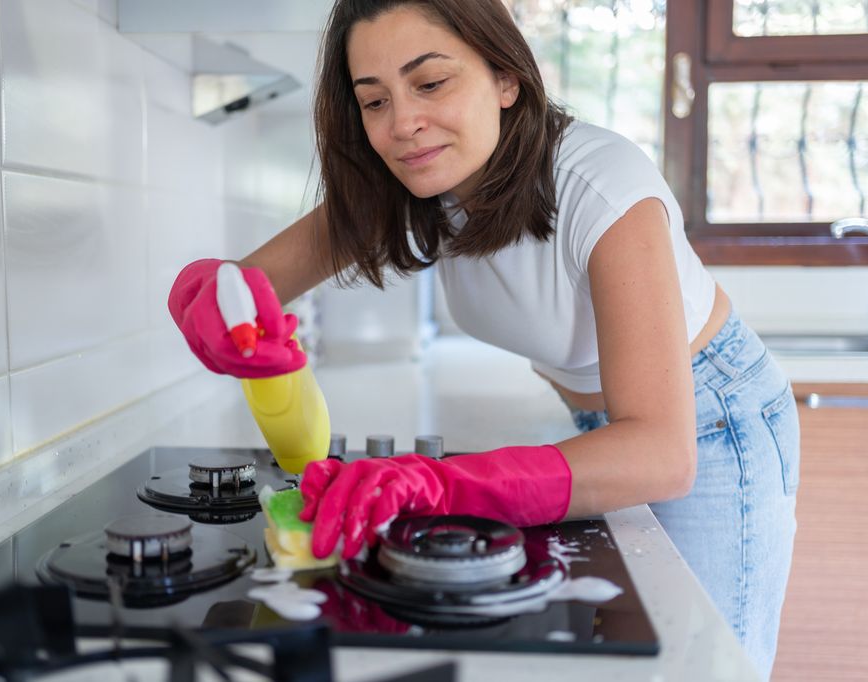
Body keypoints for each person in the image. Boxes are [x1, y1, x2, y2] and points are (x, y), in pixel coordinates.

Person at [167, 1, 799, 678]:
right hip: (606, 423)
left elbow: (660, 454)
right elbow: (245, 288)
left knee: (697, 671)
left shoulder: (603, 189)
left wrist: (436, 485)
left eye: (431, 84)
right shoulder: (417, 179)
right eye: (373, 100)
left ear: (506, 78)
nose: (403, 123)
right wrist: (210, 302)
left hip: (709, 423)